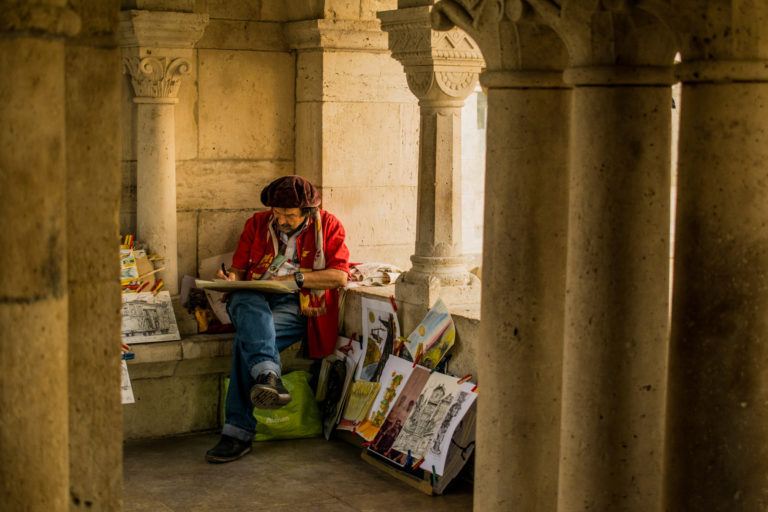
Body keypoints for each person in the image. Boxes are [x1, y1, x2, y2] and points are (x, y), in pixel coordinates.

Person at [205, 176, 349, 463]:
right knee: (246, 303)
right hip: (253, 299)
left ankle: (238, 431)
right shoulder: (257, 224)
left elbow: (339, 276)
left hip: (300, 304)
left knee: (247, 342)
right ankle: (268, 379)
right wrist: (227, 279)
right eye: (277, 213)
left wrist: (295, 279)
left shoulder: (329, 226)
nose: (281, 220)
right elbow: (238, 272)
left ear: (307, 212)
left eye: (289, 215)